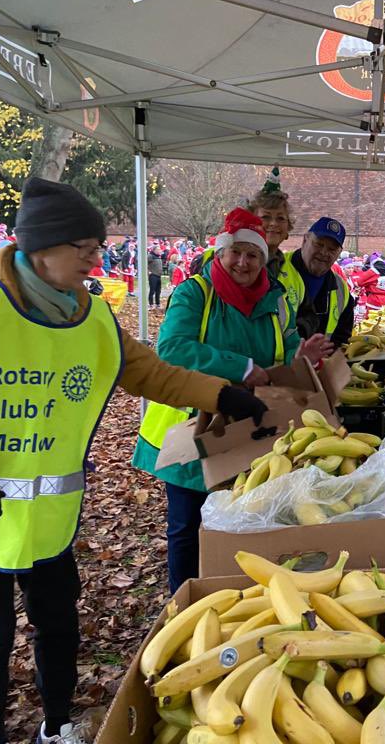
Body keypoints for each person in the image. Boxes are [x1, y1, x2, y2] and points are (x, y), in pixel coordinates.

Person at [0, 178, 269, 744]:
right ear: (40, 247)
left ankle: (56, 725)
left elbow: (153, 373)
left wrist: (223, 395)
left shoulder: (93, 316)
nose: (98, 258)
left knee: (59, 629)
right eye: (85, 247)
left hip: (50, 517)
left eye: (98, 246)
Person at [131, 208, 326, 593]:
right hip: (188, 431)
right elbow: (171, 349)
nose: (243, 262)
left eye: (253, 255)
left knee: (239, 519)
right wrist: (241, 367)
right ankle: (182, 600)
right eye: (235, 252)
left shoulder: (275, 299)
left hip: (245, 430)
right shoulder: (195, 293)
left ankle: (228, 593)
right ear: (220, 253)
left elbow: (279, 350)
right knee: (187, 527)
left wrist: (301, 355)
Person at [278, 216, 355, 353]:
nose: (324, 253)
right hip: (274, 367)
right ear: (305, 240)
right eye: (319, 244)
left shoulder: (341, 290)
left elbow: (341, 338)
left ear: (338, 253)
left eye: (332, 249)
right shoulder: (276, 269)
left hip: (317, 367)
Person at [249, 166, 293, 282]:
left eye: (280, 218)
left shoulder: (294, 270)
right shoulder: (236, 264)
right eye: (266, 217)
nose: (273, 223)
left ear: (288, 228)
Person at [147, 245, 163, 309]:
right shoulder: (150, 256)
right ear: (154, 250)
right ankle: (151, 304)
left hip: (159, 276)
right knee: (152, 290)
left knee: (158, 291)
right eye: (158, 249)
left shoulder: (158, 257)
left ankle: (157, 303)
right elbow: (145, 263)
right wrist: (148, 271)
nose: (159, 250)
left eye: (160, 249)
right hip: (153, 275)